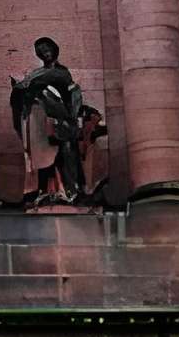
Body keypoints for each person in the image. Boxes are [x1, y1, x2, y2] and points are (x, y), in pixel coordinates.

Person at [8, 36, 108, 209]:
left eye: (47, 49)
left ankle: (72, 191)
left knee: (67, 154)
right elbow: (24, 90)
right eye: (41, 51)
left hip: (63, 121)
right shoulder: (36, 74)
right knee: (45, 158)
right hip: (42, 124)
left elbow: (70, 96)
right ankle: (48, 191)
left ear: (55, 50)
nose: (45, 53)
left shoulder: (61, 72)